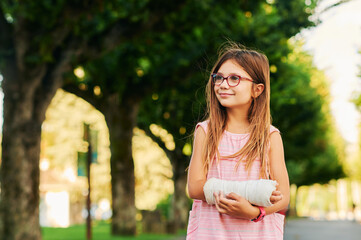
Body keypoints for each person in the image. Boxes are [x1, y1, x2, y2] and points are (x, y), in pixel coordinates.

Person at [186, 42, 290, 240]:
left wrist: (252, 212)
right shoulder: (205, 131)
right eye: (219, 78)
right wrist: (246, 193)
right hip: (211, 234)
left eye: (234, 78)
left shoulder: (270, 136)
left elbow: (283, 197)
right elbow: (194, 188)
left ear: (257, 90)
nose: (223, 84)